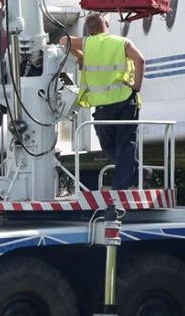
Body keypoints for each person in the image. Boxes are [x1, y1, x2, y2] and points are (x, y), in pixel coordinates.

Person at [61, 13, 146, 190]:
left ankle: (120, 187)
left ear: (89, 31)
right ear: (106, 25)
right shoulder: (121, 42)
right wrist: (136, 85)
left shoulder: (87, 43)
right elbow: (140, 59)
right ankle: (137, 172)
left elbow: (63, 41)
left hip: (103, 105)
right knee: (125, 144)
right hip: (125, 100)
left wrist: (81, 56)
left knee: (107, 144)